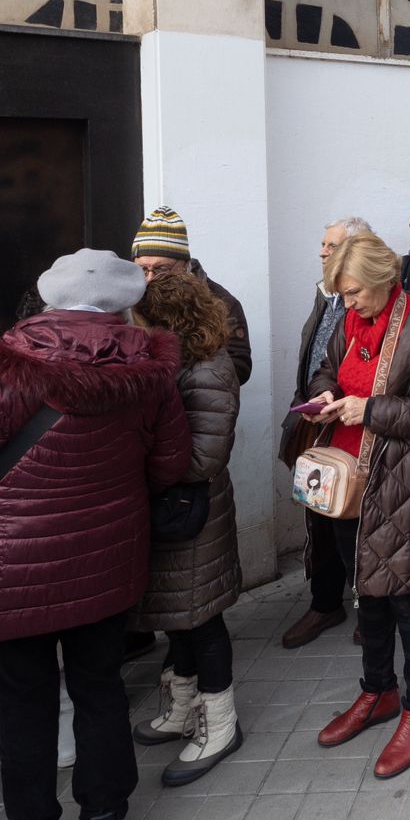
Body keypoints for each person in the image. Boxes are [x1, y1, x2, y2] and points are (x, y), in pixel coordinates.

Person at [0, 250, 191, 820]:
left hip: (9, 569)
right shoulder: (149, 370)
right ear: (123, 301)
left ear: (49, 297)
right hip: (105, 557)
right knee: (100, 691)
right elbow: (171, 464)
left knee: (23, 705)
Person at [302, 233, 410, 780]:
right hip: (349, 482)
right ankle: (378, 692)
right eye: (342, 296)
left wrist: (370, 409)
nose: (347, 305)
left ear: (382, 280)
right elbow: (327, 369)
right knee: (366, 593)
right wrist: (327, 395)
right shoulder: (352, 321)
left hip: (408, 485)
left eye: (353, 294)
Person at [129, 272, 244, 786]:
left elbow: (204, 457)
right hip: (171, 509)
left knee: (202, 618)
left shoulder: (208, 370)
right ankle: (181, 706)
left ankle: (220, 725)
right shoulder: (173, 363)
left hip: (194, 512)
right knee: (177, 613)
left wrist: (138, 459)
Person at [281, 216, 373, 650]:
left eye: (331, 245)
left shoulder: (368, 305)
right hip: (316, 426)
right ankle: (324, 602)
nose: (321, 252)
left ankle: (366, 608)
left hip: (357, 433)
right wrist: (317, 396)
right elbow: (319, 362)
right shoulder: (324, 296)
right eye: (322, 244)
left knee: (354, 527)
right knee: (317, 517)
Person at [133, 207, 253, 385]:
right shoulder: (126, 297)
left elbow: (240, 366)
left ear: (186, 265)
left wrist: (189, 368)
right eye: (143, 269)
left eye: (161, 269)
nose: (149, 278)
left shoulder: (221, 301)